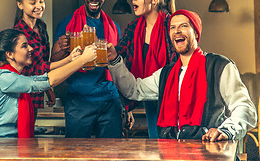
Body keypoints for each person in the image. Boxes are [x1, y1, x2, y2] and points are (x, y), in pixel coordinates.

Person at [107, 9, 257, 141]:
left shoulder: (219, 66)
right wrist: (114, 60)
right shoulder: (165, 74)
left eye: (183, 26)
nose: (176, 31)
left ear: (196, 33)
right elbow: (134, 90)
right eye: (172, 27)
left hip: (209, 151)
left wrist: (226, 131)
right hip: (171, 152)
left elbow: (245, 108)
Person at [0, 29, 96, 138]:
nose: (31, 49)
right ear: (10, 54)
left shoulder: (14, 78)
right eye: (24, 46)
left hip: (3, 145)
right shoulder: (4, 77)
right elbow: (48, 81)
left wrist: (70, 59)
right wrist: (82, 60)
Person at [51, 0, 123, 138]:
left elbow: (119, 67)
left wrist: (124, 105)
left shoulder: (114, 27)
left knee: (112, 155)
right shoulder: (67, 23)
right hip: (78, 101)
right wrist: (62, 49)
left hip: (110, 101)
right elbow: (53, 62)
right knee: (76, 154)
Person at [115, 0, 176, 138]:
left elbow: (178, 63)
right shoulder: (134, 27)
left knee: (175, 144)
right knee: (156, 142)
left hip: (172, 97)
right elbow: (117, 52)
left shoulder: (171, 25)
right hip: (147, 95)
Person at [13, 0, 55, 121]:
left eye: (41, 1)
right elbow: (37, 66)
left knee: (30, 134)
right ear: (20, 5)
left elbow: (43, 62)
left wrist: (48, 89)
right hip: (22, 93)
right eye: (33, 2)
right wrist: (72, 60)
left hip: (37, 90)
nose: (39, 6)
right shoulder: (19, 32)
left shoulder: (42, 26)